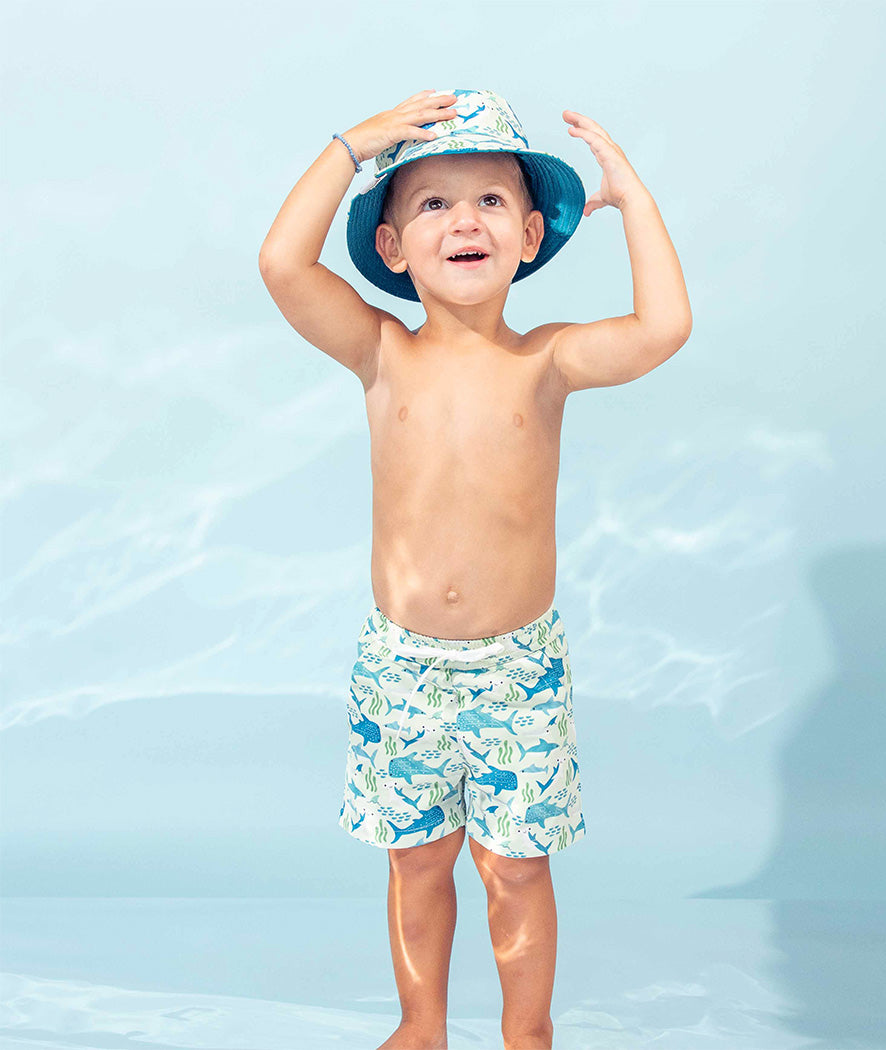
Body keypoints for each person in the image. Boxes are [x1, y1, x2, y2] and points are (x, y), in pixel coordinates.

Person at [258, 87, 691, 1050]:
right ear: (390, 248)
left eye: (491, 202)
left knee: (515, 868)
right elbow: (282, 264)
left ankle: (527, 1033)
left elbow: (663, 330)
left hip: (517, 672)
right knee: (415, 863)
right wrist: (351, 146)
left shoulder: (545, 363)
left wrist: (637, 198)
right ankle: (422, 1024)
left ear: (531, 236)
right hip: (401, 664)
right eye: (433, 204)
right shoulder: (380, 354)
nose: (464, 220)